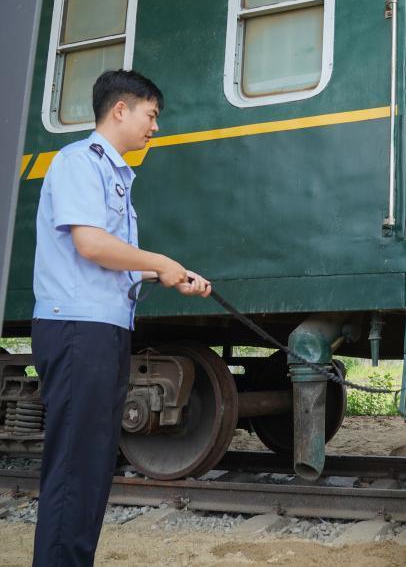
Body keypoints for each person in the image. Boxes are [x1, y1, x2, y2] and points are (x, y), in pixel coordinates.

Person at [31, 69, 211, 566]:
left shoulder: (112, 174)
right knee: (74, 467)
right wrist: (158, 262)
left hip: (101, 330)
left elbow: (111, 257)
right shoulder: (78, 164)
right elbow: (91, 244)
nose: (155, 127)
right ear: (121, 109)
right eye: (152, 115)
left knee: (89, 466)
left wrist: (166, 275)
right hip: (76, 329)